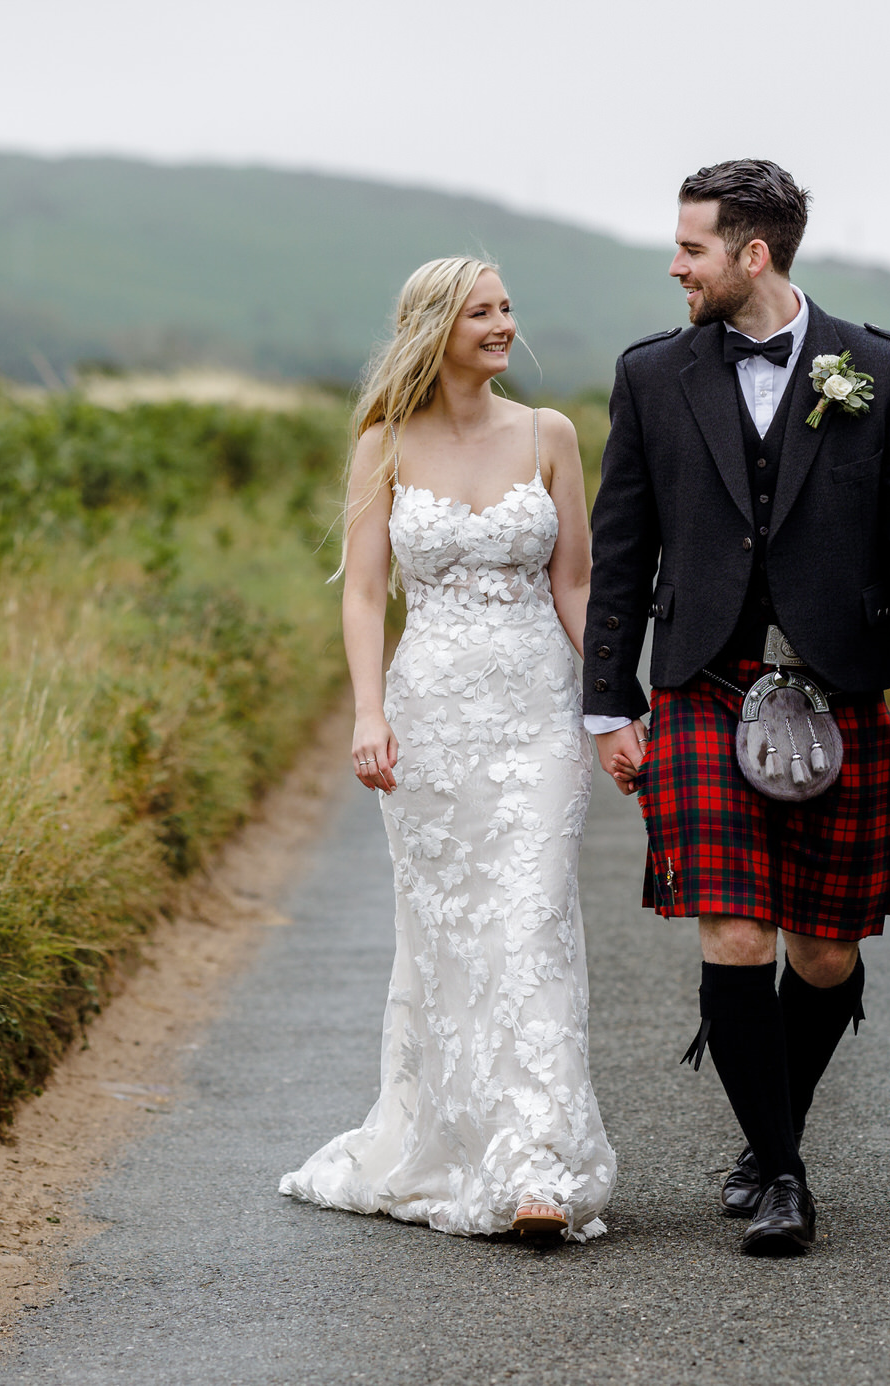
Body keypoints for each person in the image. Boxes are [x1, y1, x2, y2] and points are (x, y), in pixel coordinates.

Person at [582, 160, 890, 1256]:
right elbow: (623, 549)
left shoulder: (883, 373)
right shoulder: (653, 375)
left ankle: (766, 1143)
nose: (675, 265)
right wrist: (607, 703)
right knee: (737, 928)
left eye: (692, 248)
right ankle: (787, 1177)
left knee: (824, 952)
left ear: (752, 255)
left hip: (839, 683)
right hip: (704, 682)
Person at [280, 257, 616, 1241]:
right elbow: (360, 592)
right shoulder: (383, 444)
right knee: (448, 937)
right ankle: (456, 1137)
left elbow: (576, 587)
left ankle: (535, 1160)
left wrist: (610, 704)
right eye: (483, 311)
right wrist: (367, 714)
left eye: (509, 306)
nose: (505, 324)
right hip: (429, 717)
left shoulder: (548, 435)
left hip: (536, 715)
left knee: (531, 917)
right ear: (436, 327)